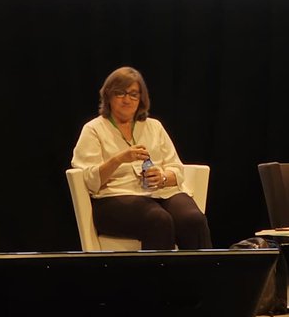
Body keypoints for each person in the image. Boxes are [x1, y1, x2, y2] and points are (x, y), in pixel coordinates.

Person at [70, 66, 211, 250]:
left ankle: (201, 277)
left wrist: (161, 178)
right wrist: (119, 159)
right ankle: (156, 279)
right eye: (120, 93)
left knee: (193, 220)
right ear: (108, 96)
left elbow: (176, 169)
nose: (127, 99)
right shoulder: (94, 129)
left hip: (160, 193)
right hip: (115, 197)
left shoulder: (154, 127)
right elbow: (89, 179)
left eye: (134, 94)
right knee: (158, 219)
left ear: (141, 99)